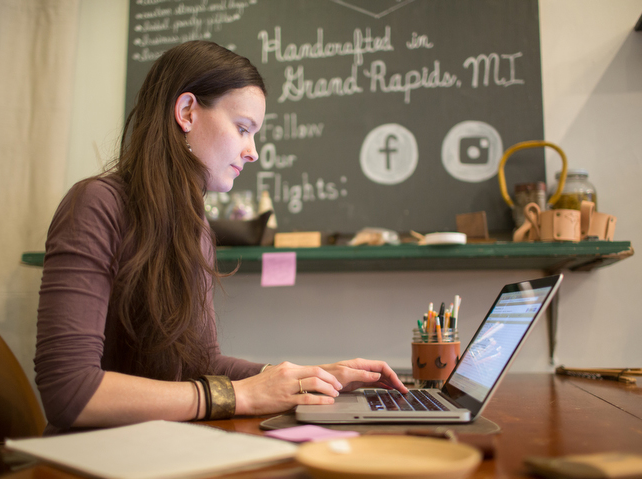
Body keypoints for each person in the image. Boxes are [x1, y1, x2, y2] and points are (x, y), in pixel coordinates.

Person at [34, 40, 407, 434]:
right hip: (92, 461)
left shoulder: (195, 229)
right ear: (187, 112)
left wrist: (302, 377)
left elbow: (201, 364)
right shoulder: (96, 204)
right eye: (243, 129)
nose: (253, 152)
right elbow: (70, 392)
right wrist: (241, 395)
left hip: (160, 446)